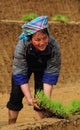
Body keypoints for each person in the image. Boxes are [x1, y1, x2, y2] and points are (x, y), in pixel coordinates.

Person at [6, 16, 61, 124]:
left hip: (43, 69)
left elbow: (50, 74)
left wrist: (46, 100)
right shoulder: (22, 47)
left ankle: (40, 124)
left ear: (48, 36)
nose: (42, 43)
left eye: (45, 38)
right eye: (37, 40)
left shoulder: (53, 47)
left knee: (41, 100)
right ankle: (11, 125)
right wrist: (29, 99)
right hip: (24, 67)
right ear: (30, 40)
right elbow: (20, 74)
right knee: (16, 96)